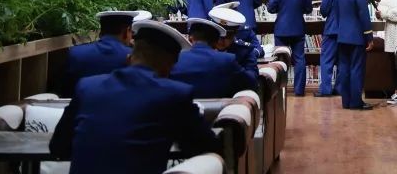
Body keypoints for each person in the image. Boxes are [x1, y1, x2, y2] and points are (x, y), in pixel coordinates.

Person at [50, 19, 218, 174]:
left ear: (129, 58)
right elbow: (204, 146)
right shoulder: (175, 94)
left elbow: (58, 147)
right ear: (170, 66)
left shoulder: (87, 87)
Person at [63, 10, 150, 96]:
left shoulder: (76, 53)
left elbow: (66, 91)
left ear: (101, 32)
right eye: (131, 32)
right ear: (126, 32)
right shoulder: (135, 57)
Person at [170, 18, 258, 98]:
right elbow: (250, 83)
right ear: (216, 41)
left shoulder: (174, 59)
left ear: (190, 38)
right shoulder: (227, 60)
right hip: (220, 109)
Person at [267, 0, 313, 96]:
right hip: (298, 29)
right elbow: (308, 9)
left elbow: (270, 9)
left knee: (280, 60)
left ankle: (280, 91)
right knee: (299, 59)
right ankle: (299, 91)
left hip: (281, 29)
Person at [335, 0, 374, 110]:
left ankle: (346, 101)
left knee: (344, 69)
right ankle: (356, 102)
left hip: (342, 36)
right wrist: (369, 37)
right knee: (356, 69)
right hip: (357, 37)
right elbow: (364, 16)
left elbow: (337, 14)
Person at [209, 3, 260, 83]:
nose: (221, 41)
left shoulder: (245, 51)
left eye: (227, 36)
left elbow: (252, 79)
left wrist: (233, 66)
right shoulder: (204, 49)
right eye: (217, 36)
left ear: (235, 34)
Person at [315, 0, 343, 97]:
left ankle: (325, 90)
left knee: (326, 60)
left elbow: (324, 11)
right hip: (345, 32)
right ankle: (340, 89)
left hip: (331, 30)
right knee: (342, 61)